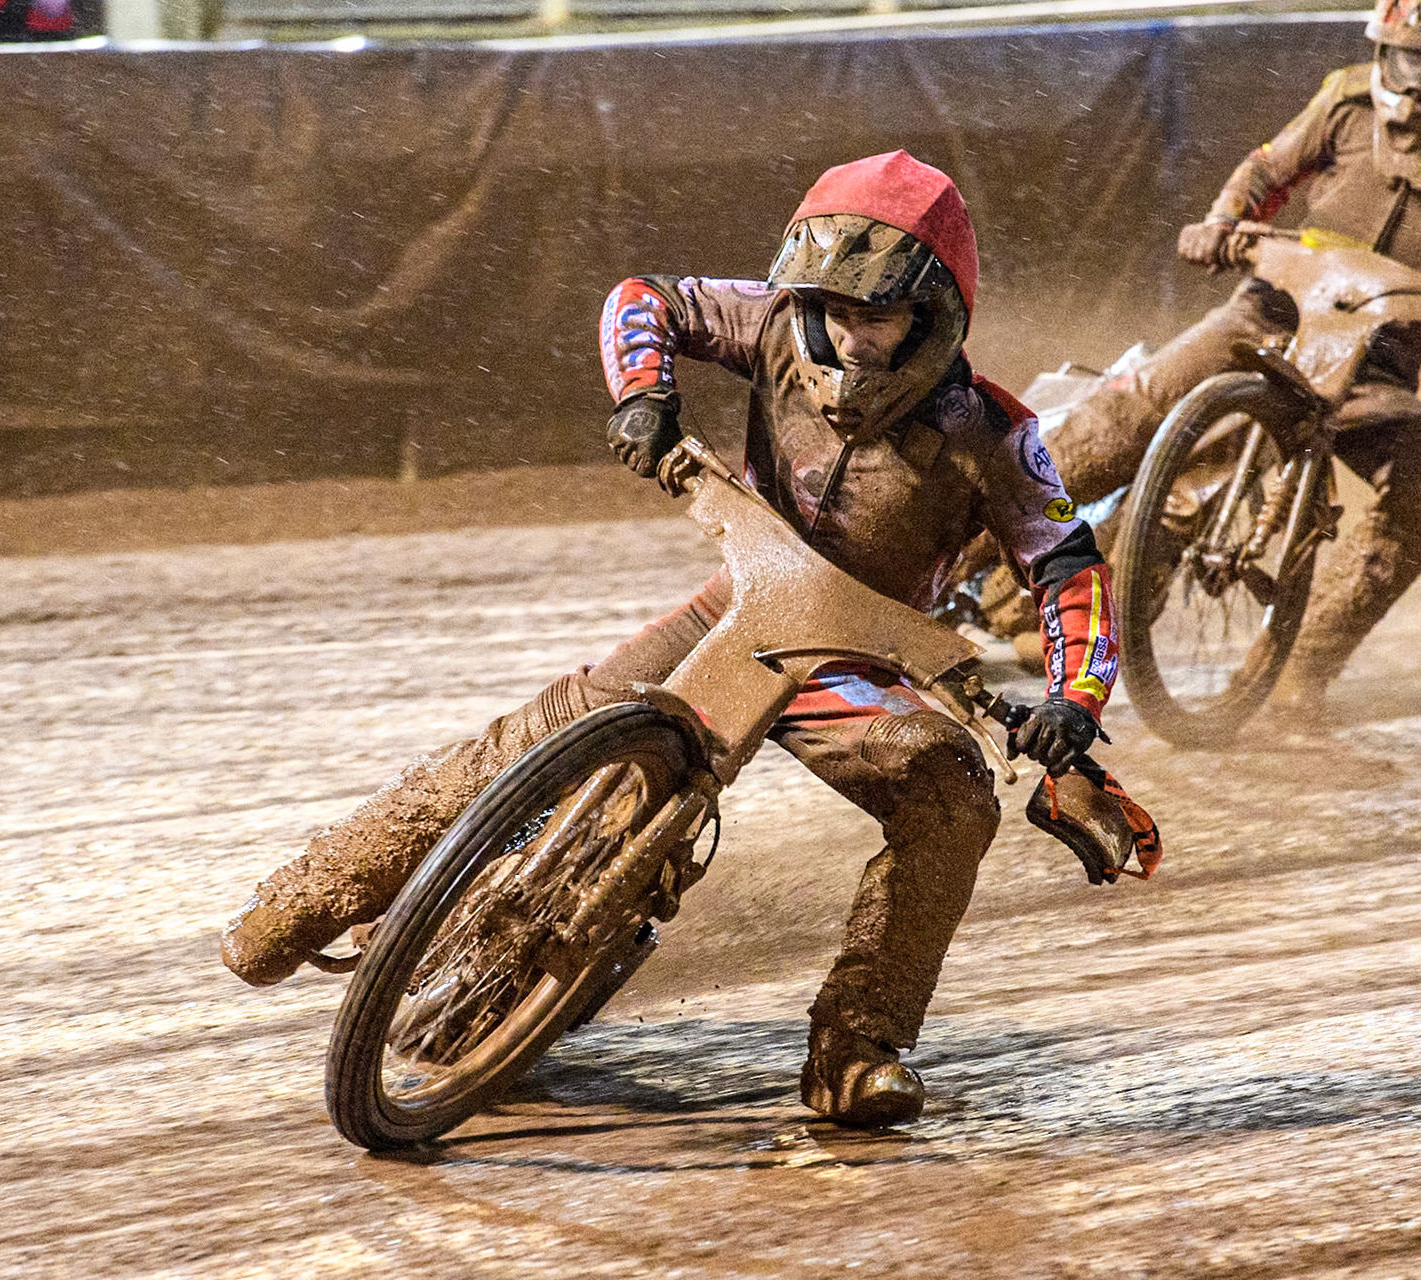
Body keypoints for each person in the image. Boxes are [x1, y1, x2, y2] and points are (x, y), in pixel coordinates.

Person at [221, 151, 1125, 1128]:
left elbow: (1070, 564)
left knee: (953, 795)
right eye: (832, 309)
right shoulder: (776, 323)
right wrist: (642, 393)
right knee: (540, 736)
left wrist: (1077, 701)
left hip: (855, 665)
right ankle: (313, 895)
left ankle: (859, 1044)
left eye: (877, 314)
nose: (849, 337)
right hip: (735, 602)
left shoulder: (1000, 433)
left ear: (936, 311)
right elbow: (644, 296)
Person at [1046, 0, 1421, 728]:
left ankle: (1298, 673)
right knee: (1119, 418)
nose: (1415, 89)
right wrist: (1225, 219)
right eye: (1406, 62)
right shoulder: (1345, 98)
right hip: (1264, 316)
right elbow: (1266, 166)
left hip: (1372, 371)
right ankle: (965, 550)